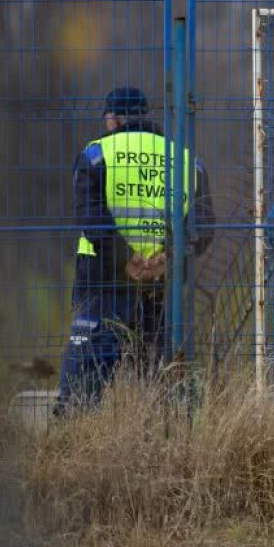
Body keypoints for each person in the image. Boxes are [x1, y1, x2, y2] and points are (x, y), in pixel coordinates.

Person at [55, 87, 214, 412]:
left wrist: (125, 259)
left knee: (87, 374)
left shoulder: (96, 154)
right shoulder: (185, 159)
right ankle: (165, 432)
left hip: (103, 282)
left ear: (112, 119)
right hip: (160, 284)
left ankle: (73, 432)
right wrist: (167, 257)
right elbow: (204, 224)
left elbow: (90, 215)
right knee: (158, 373)